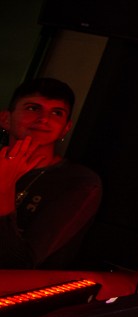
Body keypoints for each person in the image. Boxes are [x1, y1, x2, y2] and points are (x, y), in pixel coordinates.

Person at [0, 78, 100, 269]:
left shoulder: (79, 182)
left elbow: (18, 263)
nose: (44, 119)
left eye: (57, 113)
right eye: (32, 108)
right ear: (6, 119)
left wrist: (3, 187)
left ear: (65, 128)